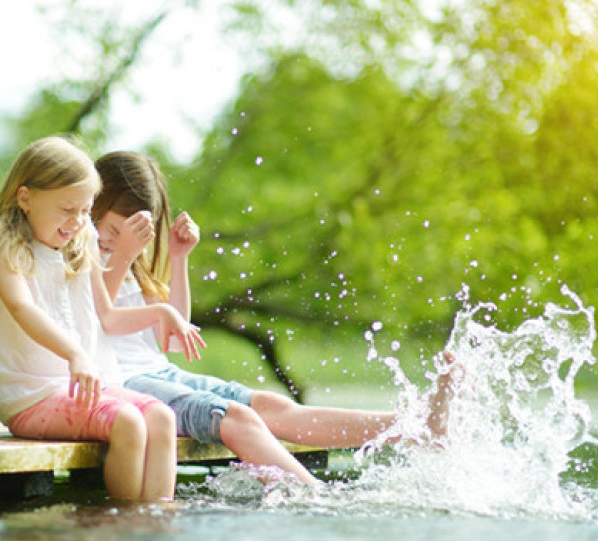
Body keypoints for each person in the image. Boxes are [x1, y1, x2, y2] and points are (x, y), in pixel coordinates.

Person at [91, 151, 459, 485]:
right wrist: (122, 254)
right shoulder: (84, 258)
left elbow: (171, 339)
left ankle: (413, 427)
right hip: (125, 384)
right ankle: (313, 496)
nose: (118, 241)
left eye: (136, 233)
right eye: (112, 231)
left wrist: (179, 257)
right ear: (94, 207)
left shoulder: (132, 266)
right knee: (236, 416)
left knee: (273, 406)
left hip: (160, 372)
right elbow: (95, 322)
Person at [0, 137, 204, 501]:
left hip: (87, 388)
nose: (77, 221)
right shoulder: (4, 246)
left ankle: (155, 526)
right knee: (128, 421)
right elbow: (23, 309)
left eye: (85, 211)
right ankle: (119, 527)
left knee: (162, 418)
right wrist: (75, 354)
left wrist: (163, 311)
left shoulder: (82, 238)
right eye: (67, 209)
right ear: (25, 198)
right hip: (32, 394)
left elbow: (105, 313)